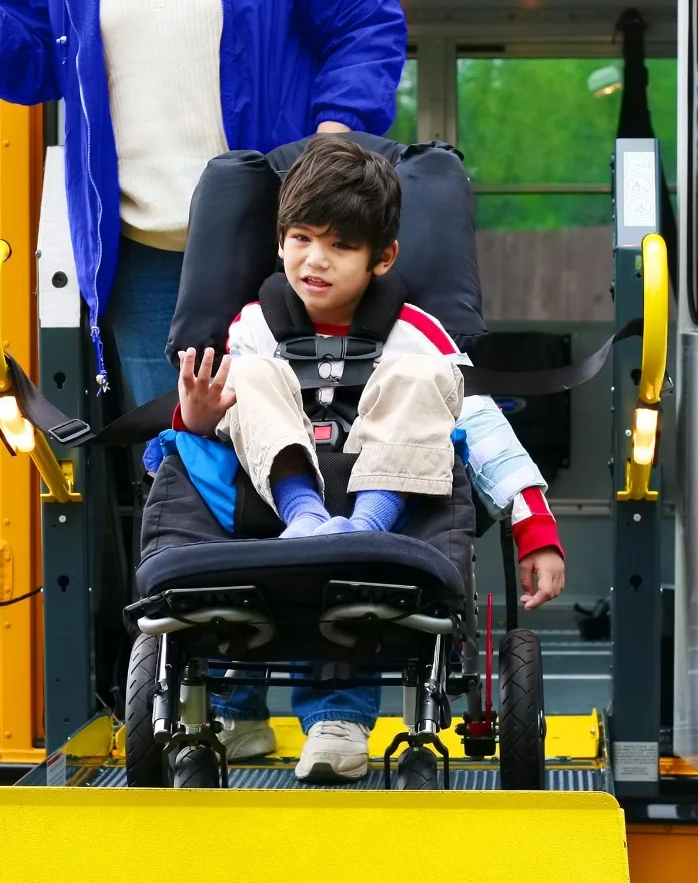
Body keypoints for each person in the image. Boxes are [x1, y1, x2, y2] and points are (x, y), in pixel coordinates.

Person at [172, 136, 567, 783]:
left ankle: (339, 710)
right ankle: (237, 711)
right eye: (300, 238)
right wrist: (198, 414)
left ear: (383, 258)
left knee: (423, 378)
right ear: (278, 242)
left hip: (384, 516)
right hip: (277, 509)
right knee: (250, 376)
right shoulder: (254, 327)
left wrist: (534, 525)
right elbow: (218, 430)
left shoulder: (416, 333)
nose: (315, 261)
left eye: (340, 246)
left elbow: (483, 428)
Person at [0, 0, 406, 406]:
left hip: (280, 244)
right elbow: (26, 64)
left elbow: (365, 19)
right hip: (143, 255)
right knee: (174, 457)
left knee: (302, 442)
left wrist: (329, 154)